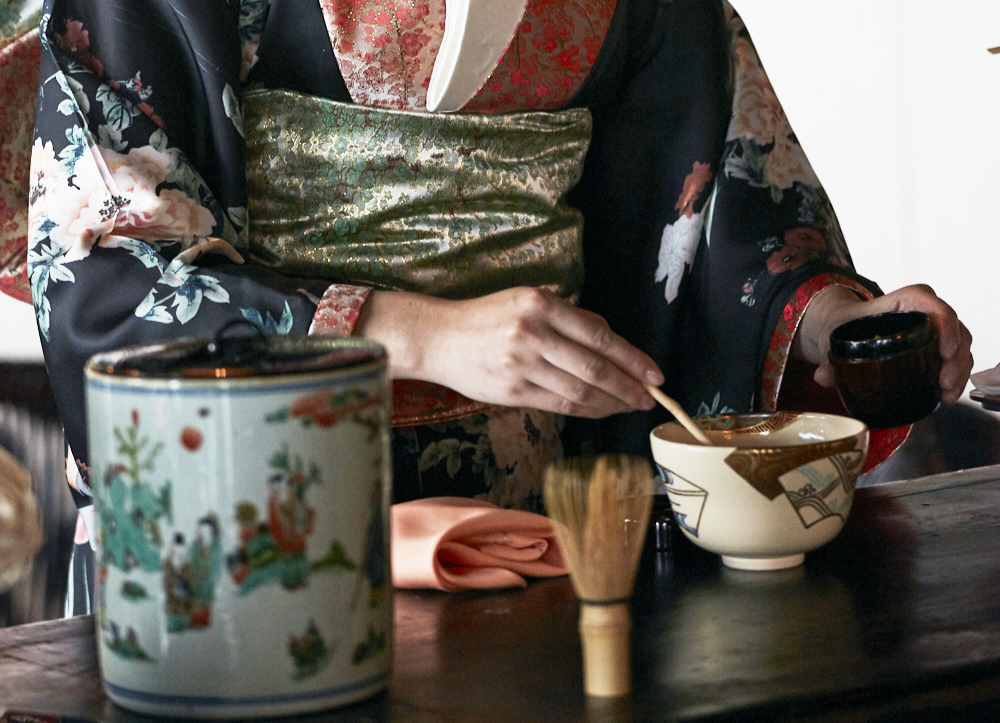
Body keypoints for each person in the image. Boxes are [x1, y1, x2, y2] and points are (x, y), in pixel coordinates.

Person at [0, 0, 973, 594]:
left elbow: (707, 214)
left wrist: (828, 327)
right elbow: (106, 262)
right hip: (270, 516)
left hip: (552, 526)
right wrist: (410, 331)